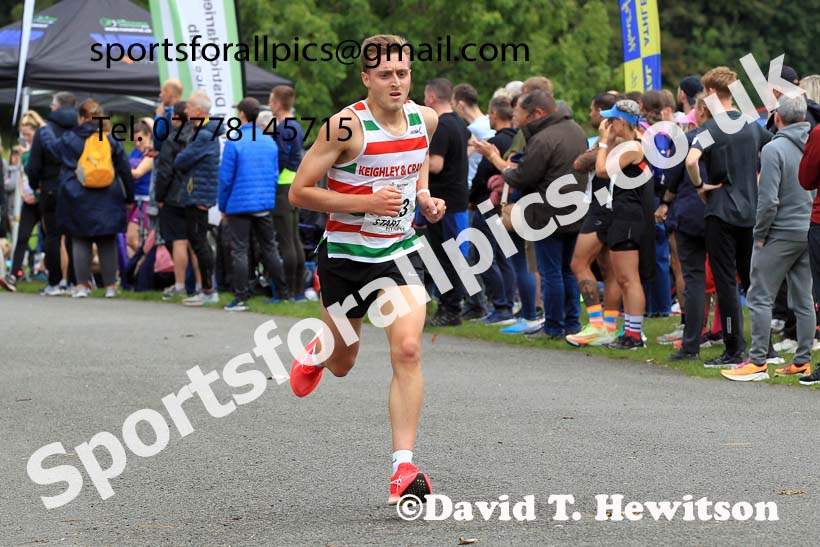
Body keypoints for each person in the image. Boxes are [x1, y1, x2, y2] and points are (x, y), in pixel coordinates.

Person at [287, 34, 444, 506]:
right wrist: (365, 201)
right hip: (345, 259)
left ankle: (403, 467)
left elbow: (415, 162)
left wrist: (422, 197)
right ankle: (320, 349)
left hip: (399, 251)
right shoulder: (343, 127)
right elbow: (299, 192)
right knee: (342, 363)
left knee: (409, 348)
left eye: (403, 72)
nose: (396, 82)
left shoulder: (427, 119)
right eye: (385, 75)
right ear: (366, 78)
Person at [721, 95, 813, 381]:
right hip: (808, 229)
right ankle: (802, 361)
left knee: (759, 295)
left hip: (780, 232)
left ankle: (758, 360)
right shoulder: (813, 144)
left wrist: (759, 235)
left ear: (777, 118)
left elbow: (768, 200)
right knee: (804, 299)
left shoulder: (774, 149)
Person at [686, 66, 773, 367]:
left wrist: (700, 186)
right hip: (751, 211)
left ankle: (734, 347)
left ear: (710, 93)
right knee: (753, 282)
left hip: (721, 209)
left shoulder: (711, 129)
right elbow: (773, 147)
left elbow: (691, 160)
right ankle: (767, 347)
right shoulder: (751, 124)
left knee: (726, 282)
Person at [490, 90, 587, 339]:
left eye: (519, 112)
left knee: (552, 272)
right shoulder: (576, 130)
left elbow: (524, 177)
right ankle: (572, 323)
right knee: (567, 270)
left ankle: (554, 327)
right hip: (574, 210)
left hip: (547, 214)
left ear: (537, 113)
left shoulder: (543, 138)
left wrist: (507, 172)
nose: (516, 116)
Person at [54, 100, 134, 298]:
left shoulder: (68, 139)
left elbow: (63, 164)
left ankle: (81, 286)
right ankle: (110, 287)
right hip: (108, 195)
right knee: (107, 241)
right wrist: (129, 196)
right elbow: (124, 168)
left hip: (77, 195)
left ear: (81, 118)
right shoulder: (110, 139)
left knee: (80, 240)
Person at [218, 97, 288, 311]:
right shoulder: (268, 141)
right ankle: (282, 294)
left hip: (239, 203)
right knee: (270, 248)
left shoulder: (234, 139)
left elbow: (225, 178)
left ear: (241, 114)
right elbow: (274, 173)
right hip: (263, 202)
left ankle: (240, 298)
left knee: (239, 250)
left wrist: (223, 205)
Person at [596, 100, 655, 350]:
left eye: (612, 120)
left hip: (629, 217)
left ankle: (634, 334)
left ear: (622, 122)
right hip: (623, 214)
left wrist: (601, 141)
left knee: (629, 279)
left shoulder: (632, 146)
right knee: (623, 278)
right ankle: (630, 332)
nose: (608, 124)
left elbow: (601, 170)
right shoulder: (627, 145)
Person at [566, 92, 623, 346]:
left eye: (592, 110)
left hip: (602, 207)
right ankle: (608, 327)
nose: (590, 115)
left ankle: (597, 324)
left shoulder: (612, 140)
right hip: (613, 206)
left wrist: (598, 147)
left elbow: (580, 163)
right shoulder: (619, 138)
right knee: (610, 270)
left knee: (578, 263)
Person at [423, 77, 473, 326]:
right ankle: (451, 305)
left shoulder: (441, 126)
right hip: (457, 197)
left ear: (432, 97)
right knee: (451, 254)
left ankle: (450, 309)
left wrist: (418, 156)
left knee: (446, 256)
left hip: (445, 202)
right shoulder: (461, 124)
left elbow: (437, 164)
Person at [21, 92, 78, 295]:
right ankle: (74, 282)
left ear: (57, 106)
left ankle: (54, 282)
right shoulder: (82, 128)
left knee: (52, 234)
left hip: (51, 186)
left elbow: (34, 165)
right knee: (73, 235)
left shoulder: (45, 131)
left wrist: (36, 185)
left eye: (52, 104)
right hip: (76, 186)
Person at [470, 96, 518, 327]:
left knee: (484, 256)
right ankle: (508, 303)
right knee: (503, 255)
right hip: (505, 205)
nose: (488, 117)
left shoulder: (495, 143)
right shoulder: (517, 141)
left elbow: (482, 177)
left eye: (489, 113)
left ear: (496, 114)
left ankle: (500, 305)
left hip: (488, 204)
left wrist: (471, 199)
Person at [175, 91, 224, 306]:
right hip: (198, 192)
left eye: (188, 107)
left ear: (199, 110)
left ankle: (208, 290)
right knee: (199, 242)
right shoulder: (203, 132)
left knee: (199, 242)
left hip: (198, 194)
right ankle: (207, 288)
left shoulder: (203, 135)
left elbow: (181, 160)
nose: (185, 110)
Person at [155, 101, 200, 298]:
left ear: (175, 118)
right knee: (197, 243)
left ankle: (180, 285)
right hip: (197, 194)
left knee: (179, 241)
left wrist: (160, 196)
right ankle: (202, 284)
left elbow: (164, 172)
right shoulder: (200, 137)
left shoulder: (171, 140)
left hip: (174, 196)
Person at [269, 85, 307, 301]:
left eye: (271, 100)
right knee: (294, 238)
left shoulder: (284, 127)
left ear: (276, 103)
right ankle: (299, 290)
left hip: (283, 185)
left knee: (287, 240)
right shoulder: (296, 125)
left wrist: (274, 174)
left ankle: (291, 291)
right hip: (294, 182)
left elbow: (282, 155)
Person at [5, 113, 44, 290]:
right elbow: (21, 172)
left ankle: (57, 276)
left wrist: (36, 194)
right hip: (28, 199)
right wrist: (22, 192)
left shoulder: (43, 145)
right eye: (23, 134)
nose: (26, 138)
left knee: (50, 237)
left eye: (28, 134)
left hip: (42, 198)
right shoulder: (24, 149)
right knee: (22, 236)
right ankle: (13, 274)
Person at [125, 119, 154, 256]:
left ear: (148, 136)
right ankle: (135, 273)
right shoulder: (134, 152)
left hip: (145, 199)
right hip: (133, 200)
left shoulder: (152, 152)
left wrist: (117, 169)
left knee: (133, 238)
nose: (137, 144)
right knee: (128, 241)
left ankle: (149, 262)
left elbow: (137, 173)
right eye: (135, 140)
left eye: (140, 140)